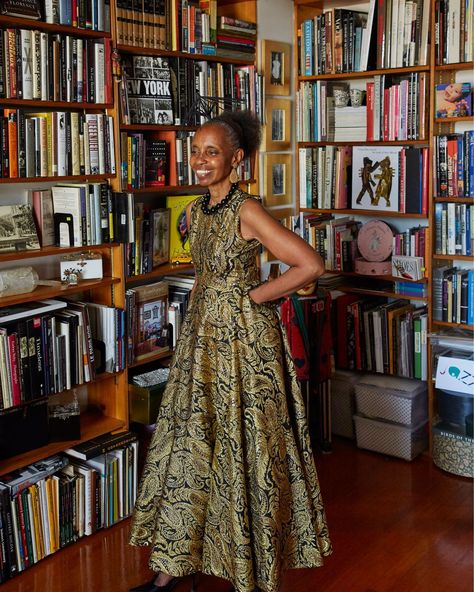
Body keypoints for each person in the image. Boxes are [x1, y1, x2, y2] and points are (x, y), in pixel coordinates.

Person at [128, 110, 332, 592]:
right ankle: (170, 571)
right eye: (195, 150)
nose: (200, 160)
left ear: (236, 159)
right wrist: (194, 322)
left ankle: (250, 570)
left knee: (245, 451)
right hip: (202, 342)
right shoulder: (196, 211)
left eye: (211, 152)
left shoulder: (248, 210)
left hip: (245, 345)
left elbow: (309, 264)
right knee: (191, 449)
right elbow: (204, 273)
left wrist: (253, 297)